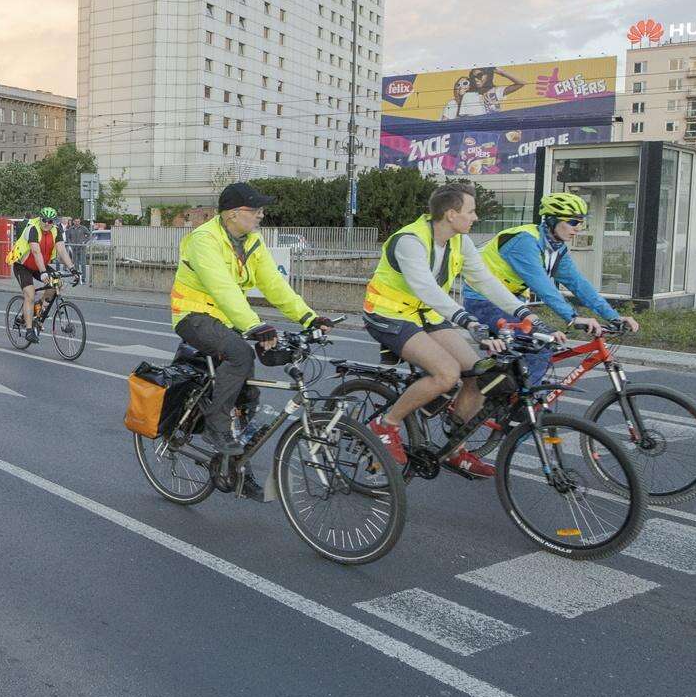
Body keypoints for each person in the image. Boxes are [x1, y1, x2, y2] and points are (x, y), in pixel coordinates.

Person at [360, 184, 536, 478]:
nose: (476, 217)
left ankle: (455, 449)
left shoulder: (459, 241)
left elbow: (485, 280)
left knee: (479, 373)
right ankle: (385, 425)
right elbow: (425, 288)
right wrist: (466, 319)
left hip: (424, 314)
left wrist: (523, 311)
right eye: (471, 211)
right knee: (446, 374)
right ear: (451, 214)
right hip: (388, 314)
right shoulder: (410, 241)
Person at [170, 183, 328, 458]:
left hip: (227, 318)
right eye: (255, 209)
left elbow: (273, 284)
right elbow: (222, 288)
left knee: (248, 390)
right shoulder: (204, 239)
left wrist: (308, 318)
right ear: (232, 213)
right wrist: (254, 325)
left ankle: (236, 458)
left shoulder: (253, 241)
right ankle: (215, 427)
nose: (261, 215)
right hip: (193, 314)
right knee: (240, 354)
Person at [463, 192, 639, 387]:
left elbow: (578, 284)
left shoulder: (556, 248)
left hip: (513, 304)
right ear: (552, 220)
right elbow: (543, 287)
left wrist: (613, 316)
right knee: (541, 345)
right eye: (573, 222)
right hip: (483, 302)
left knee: (530, 352)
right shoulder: (524, 241)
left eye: (582, 223)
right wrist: (572, 318)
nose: (578, 228)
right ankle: (525, 401)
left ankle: (512, 392)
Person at [8, 207, 76, 339]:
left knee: (57, 283)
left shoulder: (56, 231)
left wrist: (73, 269)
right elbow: (35, 251)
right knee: (30, 294)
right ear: (40, 219)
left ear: (54, 222)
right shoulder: (33, 229)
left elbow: (62, 251)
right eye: (44, 220)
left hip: (40, 266)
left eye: (50, 221)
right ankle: (29, 330)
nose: (47, 223)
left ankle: (40, 307)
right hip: (23, 265)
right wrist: (44, 272)